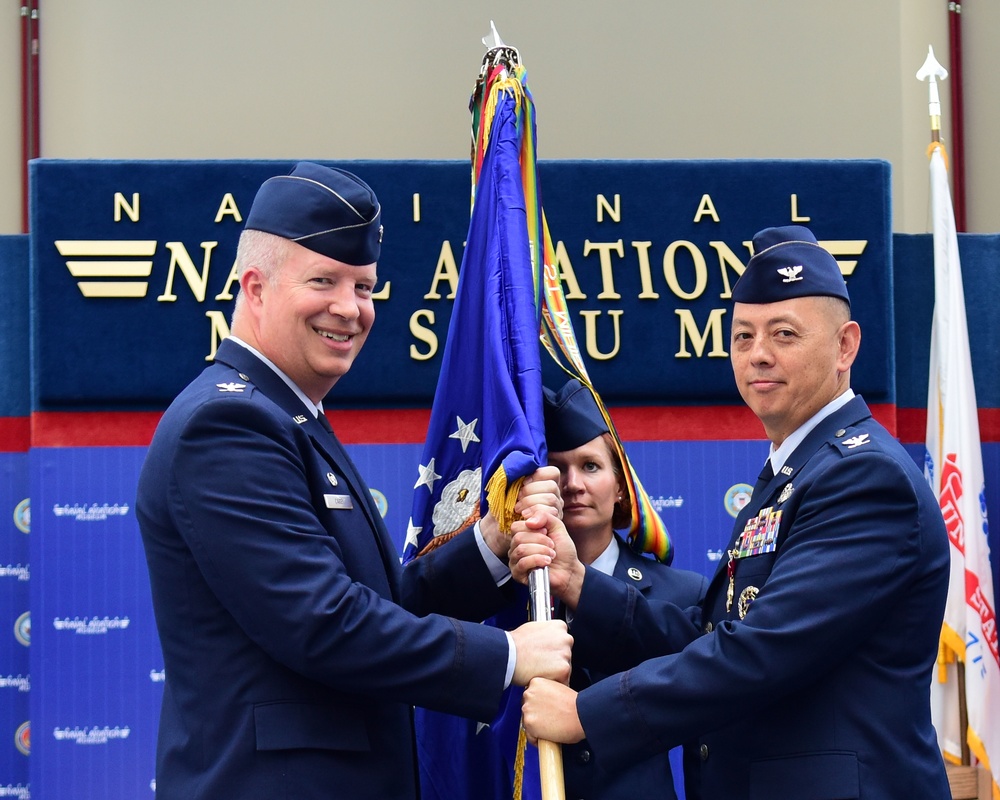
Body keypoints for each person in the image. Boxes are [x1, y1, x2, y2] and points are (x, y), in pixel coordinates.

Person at [136, 161, 572, 800]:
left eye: (364, 287)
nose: (350, 309)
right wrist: (507, 656)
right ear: (254, 288)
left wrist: (492, 546)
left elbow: (378, 602)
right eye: (324, 281)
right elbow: (324, 622)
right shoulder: (228, 424)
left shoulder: (286, 415)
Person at [519, 225, 952, 799]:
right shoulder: (796, 472)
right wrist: (578, 583)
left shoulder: (864, 477)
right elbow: (712, 632)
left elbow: (762, 650)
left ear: (845, 346)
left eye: (785, 333)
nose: (758, 355)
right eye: (743, 335)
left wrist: (588, 714)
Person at [405, 378, 707, 800]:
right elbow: (405, 614)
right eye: (557, 469)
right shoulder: (492, 586)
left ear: (621, 485)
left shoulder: (682, 592)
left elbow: (700, 691)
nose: (573, 484)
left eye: (590, 466)